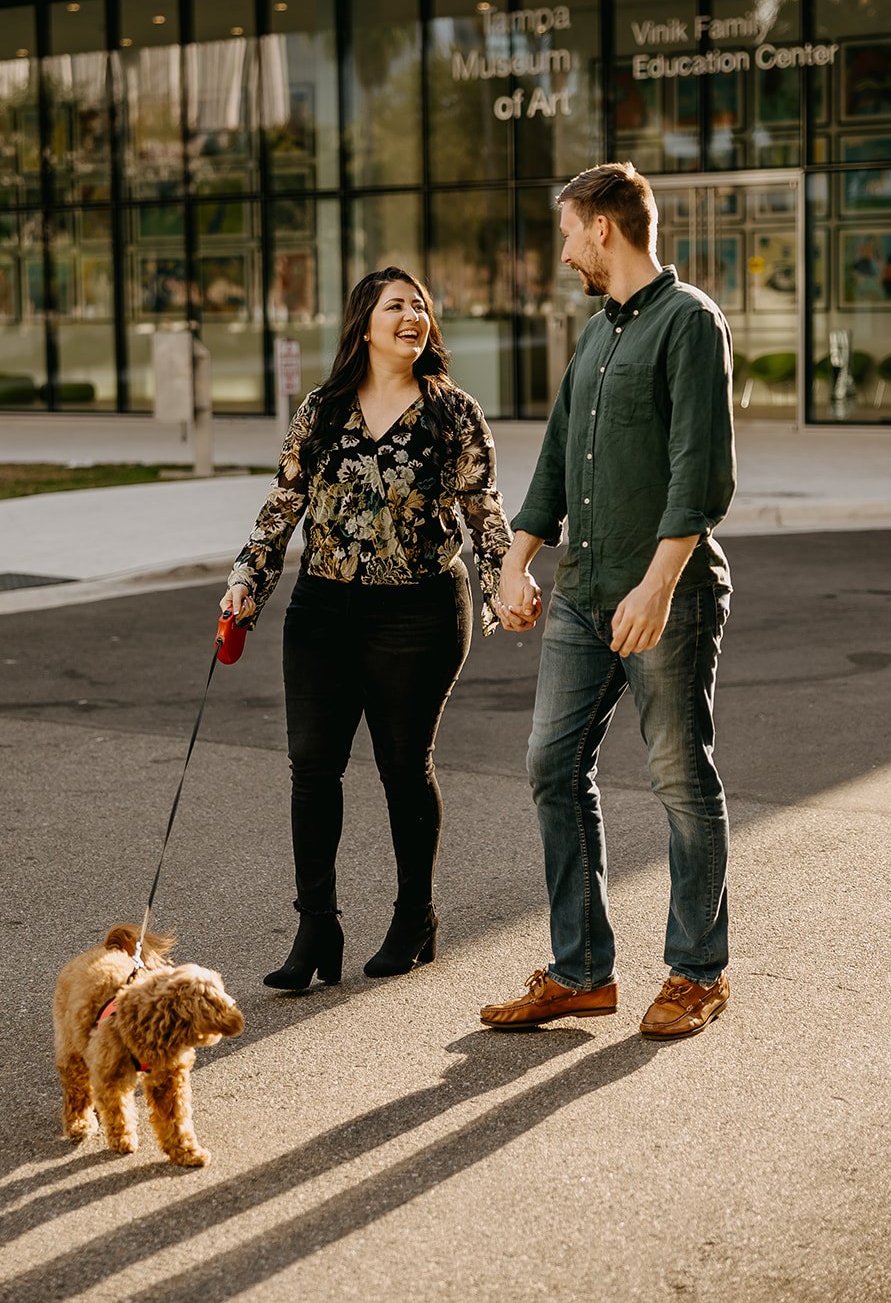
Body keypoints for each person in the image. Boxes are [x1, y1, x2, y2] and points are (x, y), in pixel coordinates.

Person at [479, 162, 736, 1042]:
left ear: (601, 228)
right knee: (551, 766)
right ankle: (581, 970)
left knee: (677, 777)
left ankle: (696, 973)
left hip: (664, 596)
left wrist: (658, 586)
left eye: (565, 231)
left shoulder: (689, 322)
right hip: (581, 596)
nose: (560, 250)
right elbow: (554, 459)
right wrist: (515, 564)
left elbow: (698, 475)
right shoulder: (593, 337)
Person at [222, 266, 512, 990]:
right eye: (395, 306)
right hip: (322, 610)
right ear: (364, 323)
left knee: (401, 766)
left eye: (420, 306)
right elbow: (282, 504)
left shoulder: (452, 412)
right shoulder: (321, 410)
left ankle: (415, 916)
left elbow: (483, 510)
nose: (412, 315)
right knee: (312, 768)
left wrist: (507, 575)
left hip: (417, 611)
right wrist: (245, 582)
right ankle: (315, 924)